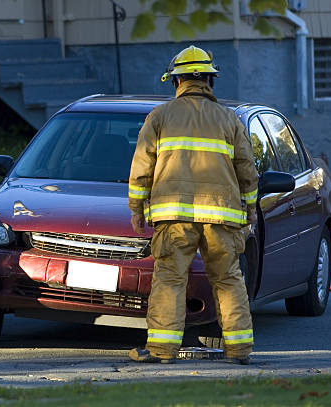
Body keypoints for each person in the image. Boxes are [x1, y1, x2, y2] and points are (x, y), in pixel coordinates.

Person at [127, 45, 259, 365]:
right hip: (222, 215)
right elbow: (248, 170)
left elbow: (141, 166)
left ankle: (161, 351)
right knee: (228, 280)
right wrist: (249, 209)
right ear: (210, 82)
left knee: (170, 279)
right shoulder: (229, 119)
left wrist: (136, 208)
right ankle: (239, 350)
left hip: (174, 217)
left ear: (176, 81)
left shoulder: (159, 117)